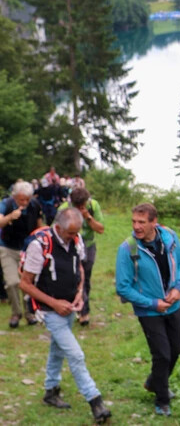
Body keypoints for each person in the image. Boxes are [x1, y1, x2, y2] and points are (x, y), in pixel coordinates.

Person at [18, 208, 112, 423]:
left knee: (58, 349)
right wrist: (54, 303)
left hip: (70, 306)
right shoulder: (39, 245)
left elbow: (79, 267)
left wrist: (79, 294)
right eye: (70, 233)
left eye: (76, 232)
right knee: (76, 355)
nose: (74, 237)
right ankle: (95, 401)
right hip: (49, 310)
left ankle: (51, 391)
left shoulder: (76, 238)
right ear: (58, 228)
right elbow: (25, 283)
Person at [115, 203, 180, 417]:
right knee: (162, 355)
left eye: (141, 222)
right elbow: (123, 287)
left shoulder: (170, 237)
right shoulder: (128, 249)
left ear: (154, 222)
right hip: (149, 311)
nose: (136, 226)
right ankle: (162, 399)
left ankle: (154, 382)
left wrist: (178, 287)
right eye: (134, 222)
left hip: (173, 304)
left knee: (176, 349)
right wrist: (152, 303)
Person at [58, 187, 104, 326]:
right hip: (70, 246)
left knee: (86, 279)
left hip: (88, 245)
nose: (79, 208)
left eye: (81, 206)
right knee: (75, 277)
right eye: (76, 206)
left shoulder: (93, 206)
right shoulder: (64, 208)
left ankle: (81, 307)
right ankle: (83, 312)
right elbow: (56, 229)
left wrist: (87, 216)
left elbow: (100, 229)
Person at [0, 181, 43, 327]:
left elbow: (39, 225)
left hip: (28, 249)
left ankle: (29, 313)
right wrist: (10, 217)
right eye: (21, 199)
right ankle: (16, 313)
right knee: (12, 282)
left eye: (27, 199)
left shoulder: (35, 205)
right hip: (8, 248)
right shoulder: (6, 204)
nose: (24, 202)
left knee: (28, 283)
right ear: (15, 197)